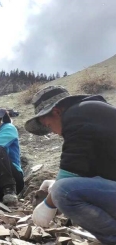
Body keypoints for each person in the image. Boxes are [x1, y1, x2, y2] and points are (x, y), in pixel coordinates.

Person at [26, 85, 116, 244]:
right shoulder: (92, 111)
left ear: (57, 112)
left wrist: (48, 204)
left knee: (63, 192)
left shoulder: (76, 115)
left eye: (48, 125)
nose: (53, 131)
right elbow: (83, 171)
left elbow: (70, 173)